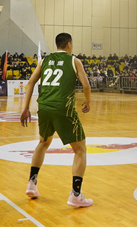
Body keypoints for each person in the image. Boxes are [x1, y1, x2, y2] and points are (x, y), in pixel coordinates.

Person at [19, 32, 93, 208]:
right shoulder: (74, 61)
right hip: (63, 108)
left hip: (44, 107)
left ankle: (32, 183)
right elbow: (86, 85)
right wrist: (88, 101)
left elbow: (30, 83)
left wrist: (25, 107)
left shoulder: (44, 60)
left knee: (43, 142)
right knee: (80, 149)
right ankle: (76, 194)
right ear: (69, 44)